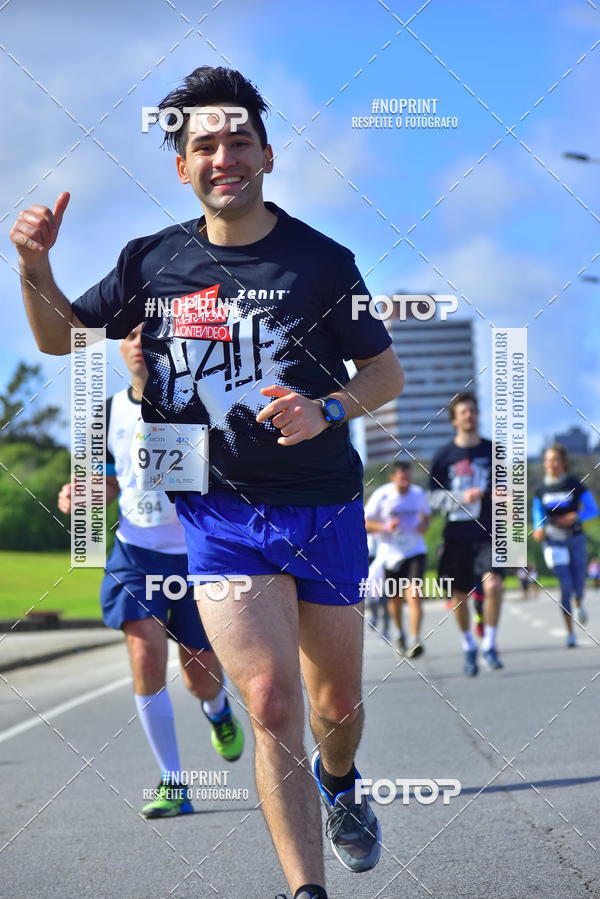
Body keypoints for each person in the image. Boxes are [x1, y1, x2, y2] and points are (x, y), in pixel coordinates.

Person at [12, 66, 404, 899]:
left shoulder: (322, 262)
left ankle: (341, 783)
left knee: (336, 707)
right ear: (181, 165)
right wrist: (33, 269)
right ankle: (306, 889)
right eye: (203, 145)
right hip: (218, 512)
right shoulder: (151, 262)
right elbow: (59, 341)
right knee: (268, 699)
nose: (223, 155)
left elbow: (384, 370)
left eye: (238, 140)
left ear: (266, 153)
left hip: (322, 502)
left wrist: (329, 408)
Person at [57, 325, 244, 817]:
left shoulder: (195, 400)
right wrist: (82, 492)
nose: (138, 340)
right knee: (144, 656)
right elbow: (109, 482)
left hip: (194, 555)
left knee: (201, 678)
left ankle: (217, 710)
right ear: (120, 348)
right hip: (134, 555)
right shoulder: (106, 412)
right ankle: (173, 782)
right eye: (129, 334)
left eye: (148, 332)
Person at [429, 391, 505, 676]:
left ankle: (490, 643)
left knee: (494, 585)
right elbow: (433, 500)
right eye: (464, 412)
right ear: (454, 420)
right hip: (456, 534)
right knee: (458, 595)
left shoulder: (493, 451)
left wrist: (506, 498)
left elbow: (507, 489)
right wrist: (461, 495)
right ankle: (469, 645)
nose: (469, 415)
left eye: (473, 410)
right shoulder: (443, 456)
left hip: (488, 531)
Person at [532, 444, 598, 647]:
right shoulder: (541, 490)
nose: (550, 464)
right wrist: (538, 527)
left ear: (563, 462)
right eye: (547, 460)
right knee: (565, 585)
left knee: (578, 582)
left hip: (575, 538)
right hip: (554, 540)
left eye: (555, 460)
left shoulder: (574, 484)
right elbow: (537, 514)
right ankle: (570, 632)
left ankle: (579, 600)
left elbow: (593, 510)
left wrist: (576, 516)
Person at [364, 461, 431, 657]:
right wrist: (385, 527)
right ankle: (400, 633)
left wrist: (424, 525)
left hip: (414, 551)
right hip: (390, 553)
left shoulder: (418, 494)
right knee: (395, 597)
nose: (405, 482)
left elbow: (426, 517)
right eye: (402, 478)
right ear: (393, 478)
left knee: (415, 594)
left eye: (408, 478)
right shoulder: (382, 495)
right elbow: (364, 523)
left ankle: (414, 639)